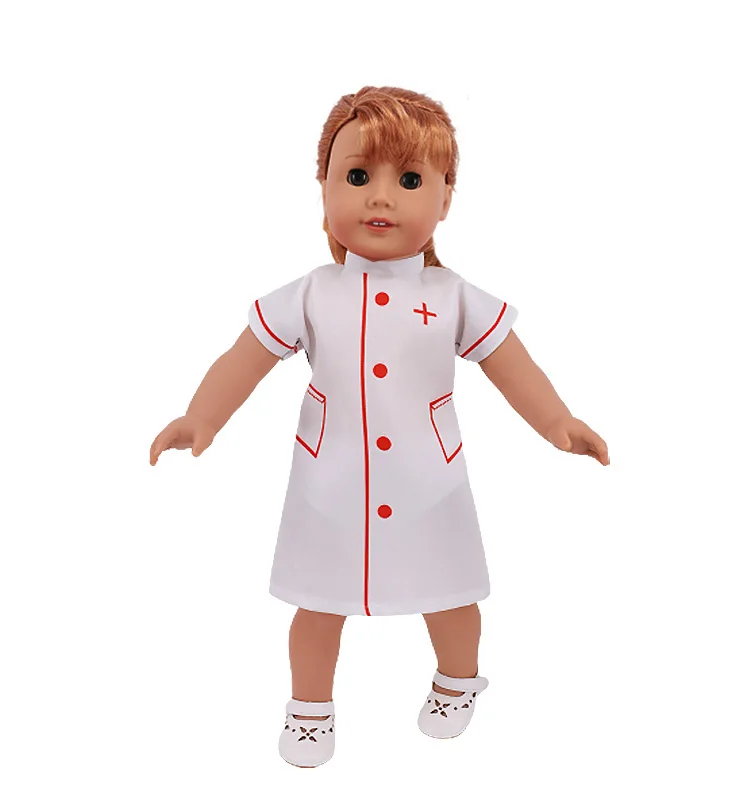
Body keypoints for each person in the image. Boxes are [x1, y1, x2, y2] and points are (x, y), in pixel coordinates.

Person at [150, 86, 610, 768]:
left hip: (430, 482)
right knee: (317, 602)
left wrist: (557, 422)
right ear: (324, 187)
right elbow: (244, 358)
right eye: (359, 176)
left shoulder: (451, 296)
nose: (382, 198)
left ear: (446, 200)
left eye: (411, 180)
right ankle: (310, 709)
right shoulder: (312, 293)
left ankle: (457, 682)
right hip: (330, 483)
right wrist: (201, 416)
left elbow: (512, 365)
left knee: (451, 594)